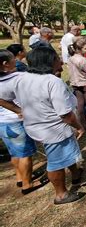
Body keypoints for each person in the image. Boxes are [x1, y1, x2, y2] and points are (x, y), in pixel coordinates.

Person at [8, 47, 86, 204]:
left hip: (37, 126)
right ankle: (61, 194)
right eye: (57, 59)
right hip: (53, 129)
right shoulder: (52, 82)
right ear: (49, 62)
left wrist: (19, 110)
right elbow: (65, 114)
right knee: (55, 163)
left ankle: (76, 174)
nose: (61, 61)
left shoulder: (22, 79)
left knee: (64, 152)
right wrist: (79, 126)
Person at [0, 50, 48, 194]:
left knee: (14, 153)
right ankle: (28, 184)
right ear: (5, 64)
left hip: (3, 122)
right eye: (12, 59)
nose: (15, 60)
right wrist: (19, 110)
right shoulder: (15, 79)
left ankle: (20, 178)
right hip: (15, 121)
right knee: (25, 154)